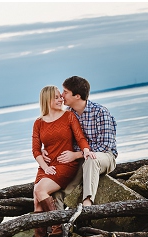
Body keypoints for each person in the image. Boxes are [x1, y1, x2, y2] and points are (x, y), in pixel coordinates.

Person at [31, 85, 91, 237]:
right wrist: (45, 167)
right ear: (47, 100)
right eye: (56, 97)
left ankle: (58, 230)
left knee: (39, 190)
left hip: (65, 164)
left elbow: (80, 138)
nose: (61, 99)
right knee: (37, 201)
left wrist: (85, 151)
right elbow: (36, 150)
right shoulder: (38, 122)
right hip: (46, 167)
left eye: (60, 96)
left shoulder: (68, 116)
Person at [49, 76, 118, 207]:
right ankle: (59, 225)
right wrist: (43, 151)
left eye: (65, 92)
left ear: (77, 96)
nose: (62, 96)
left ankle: (87, 202)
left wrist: (77, 154)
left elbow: (105, 145)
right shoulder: (67, 114)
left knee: (91, 159)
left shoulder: (100, 112)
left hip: (105, 157)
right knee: (58, 189)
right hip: (81, 160)